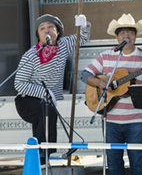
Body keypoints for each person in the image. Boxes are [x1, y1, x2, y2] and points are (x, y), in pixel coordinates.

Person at [80, 13, 142, 175]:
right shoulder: (105, 56)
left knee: (138, 162)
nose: (127, 36)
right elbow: (85, 75)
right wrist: (100, 83)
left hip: (136, 118)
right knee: (114, 162)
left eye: (130, 32)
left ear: (136, 35)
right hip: (110, 118)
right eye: (122, 33)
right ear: (116, 37)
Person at [14, 13, 90, 164]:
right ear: (38, 34)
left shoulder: (63, 46)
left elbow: (82, 38)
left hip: (47, 101)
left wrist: (84, 26)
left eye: (50, 27)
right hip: (26, 100)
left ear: (58, 31)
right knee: (47, 111)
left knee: (47, 113)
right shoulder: (31, 55)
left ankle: (42, 155)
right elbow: (19, 84)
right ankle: (44, 155)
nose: (47, 30)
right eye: (42, 28)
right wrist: (44, 92)